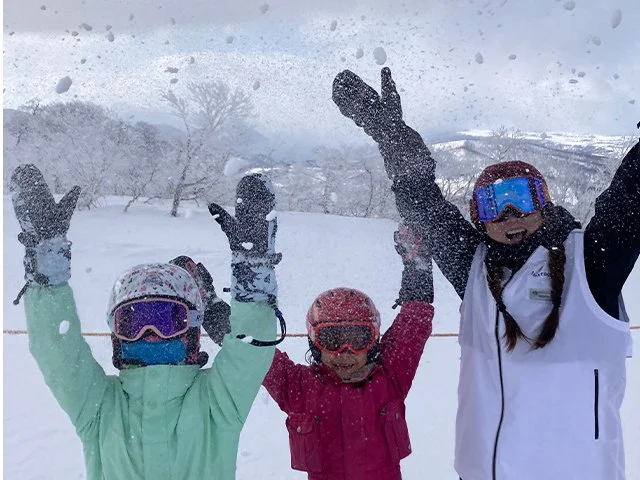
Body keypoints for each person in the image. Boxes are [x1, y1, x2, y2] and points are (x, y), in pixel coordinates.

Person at [333, 68, 638, 480]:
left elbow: (627, 204)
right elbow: (426, 207)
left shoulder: (591, 267)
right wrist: (392, 139)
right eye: (494, 204)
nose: (509, 214)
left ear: (544, 204)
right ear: (478, 219)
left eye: (521, 198)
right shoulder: (474, 268)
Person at [9, 165, 281, 480]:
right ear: (115, 334)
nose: (149, 334)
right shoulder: (99, 408)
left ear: (192, 329)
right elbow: (55, 349)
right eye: (133, 321)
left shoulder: (217, 403)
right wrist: (46, 267)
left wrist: (253, 273)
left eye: (167, 320)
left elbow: (251, 352)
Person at [261, 222, 435, 480]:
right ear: (314, 342)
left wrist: (417, 270)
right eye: (331, 340)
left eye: (358, 339)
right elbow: (253, 355)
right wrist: (233, 311)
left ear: (373, 342)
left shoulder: (390, 377)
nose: (344, 352)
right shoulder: (299, 387)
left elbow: (414, 321)